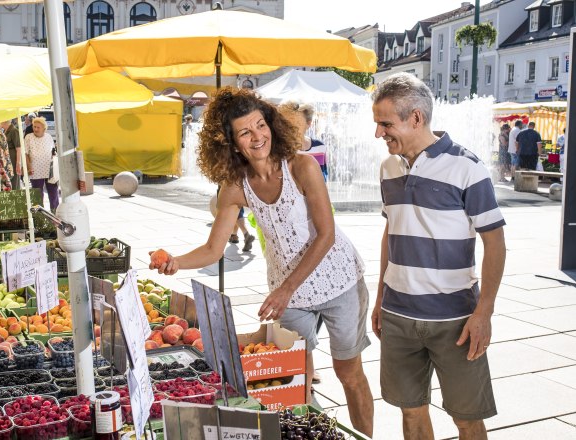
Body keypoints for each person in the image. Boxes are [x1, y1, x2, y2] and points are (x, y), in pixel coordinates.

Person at [150, 87, 374, 437]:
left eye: (260, 125)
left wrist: (286, 289)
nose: (257, 136)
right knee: (297, 377)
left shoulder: (301, 166)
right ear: (231, 142)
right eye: (245, 131)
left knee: (349, 373)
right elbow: (212, 249)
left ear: (271, 124)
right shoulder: (235, 187)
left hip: (338, 280)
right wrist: (174, 262)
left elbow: (326, 234)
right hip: (291, 294)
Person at [371, 72, 506, 440]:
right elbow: (392, 230)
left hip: (456, 320)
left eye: (386, 124)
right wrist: (381, 295)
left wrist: (484, 313)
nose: (379, 134)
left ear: (416, 118)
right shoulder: (388, 168)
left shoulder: (466, 166)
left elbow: (495, 242)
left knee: (467, 418)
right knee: (411, 415)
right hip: (398, 316)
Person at [22, 117, 59, 212]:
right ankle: (40, 215)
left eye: (38, 127)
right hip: (35, 169)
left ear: (44, 128)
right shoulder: (28, 137)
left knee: (53, 192)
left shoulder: (49, 137)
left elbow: (53, 152)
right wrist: (29, 167)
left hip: (49, 169)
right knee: (38, 193)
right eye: (34, 127)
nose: (36, 129)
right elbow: (25, 153)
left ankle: (55, 211)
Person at [0, 119, 21, 190]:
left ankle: (15, 197)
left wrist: (18, 162)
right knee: (9, 178)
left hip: (13, 159)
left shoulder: (14, 131)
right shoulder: (5, 131)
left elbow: (18, 148)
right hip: (7, 159)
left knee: (14, 179)